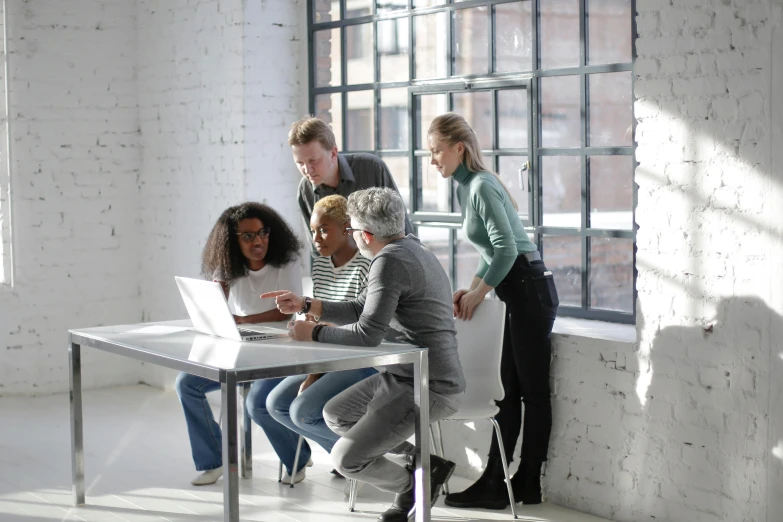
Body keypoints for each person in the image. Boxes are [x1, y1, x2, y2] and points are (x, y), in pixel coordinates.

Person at [263, 188, 464, 522]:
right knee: (336, 414)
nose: (351, 236)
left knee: (346, 460)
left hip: (429, 385)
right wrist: (307, 304)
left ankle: (414, 484)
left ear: (366, 235)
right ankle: (425, 463)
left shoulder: (389, 261)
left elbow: (367, 335)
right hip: (402, 376)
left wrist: (311, 332)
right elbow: (362, 309)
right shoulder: (409, 248)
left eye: (351, 230)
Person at [428, 113, 560, 508]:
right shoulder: (466, 187)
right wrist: (471, 288)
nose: (432, 159)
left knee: (531, 394)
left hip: (528, 290)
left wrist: (480, 292)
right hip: (517, 289)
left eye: (436, 151)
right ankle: (500, 481)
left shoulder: (482, 186)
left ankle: (524, 482)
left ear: (459, 148)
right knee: (508, 393)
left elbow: (508, 249)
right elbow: (492, 251)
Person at [175, 202, 305, 486]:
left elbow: (287, 310)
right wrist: (216, 299)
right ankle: (213, 461)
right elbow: (218, 311)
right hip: (240, 347)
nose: (258, 241)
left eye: (263, 232)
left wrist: (242, 321)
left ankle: (297, 457)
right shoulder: (228, 264)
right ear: (232, 241)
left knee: (257, 403)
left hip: (280, 348)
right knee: (186, 385)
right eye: (247, 236)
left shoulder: (287, 260)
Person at [265, 195, 376, 477]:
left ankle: (361, 461)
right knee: (275, 405)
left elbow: (359, 326)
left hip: (359, 358)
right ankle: (352, 461)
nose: (316, 238)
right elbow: (318, 317)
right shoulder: (321, 263)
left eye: (324, 230)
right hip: (326, 354)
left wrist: (312, 374)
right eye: (313, 230)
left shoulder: (367, 265)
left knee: (302, 411)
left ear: (346, 227)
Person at [289, 116, 413, 241]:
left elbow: (401, 229)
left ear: (333, 153)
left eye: (313, 160)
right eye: (300, 163)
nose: (307, 169)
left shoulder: (371, 168)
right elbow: (317, 247)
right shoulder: (305, 189)